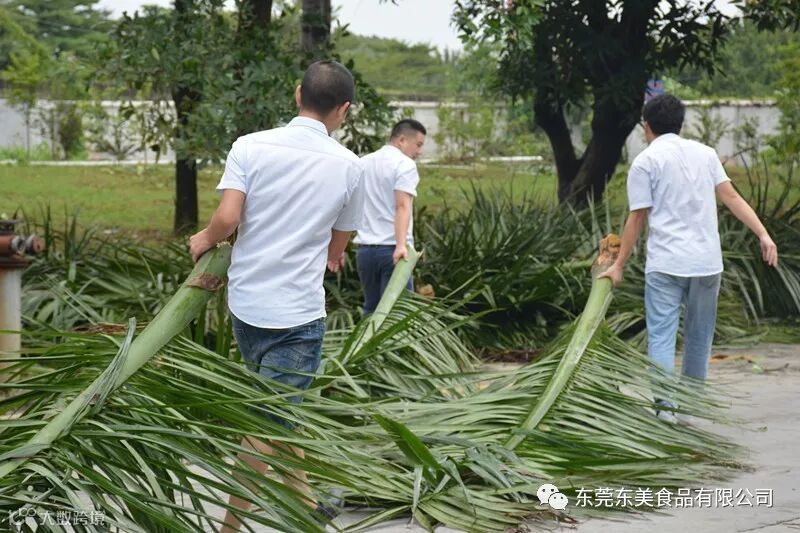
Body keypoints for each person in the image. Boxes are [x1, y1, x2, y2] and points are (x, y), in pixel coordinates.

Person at [188, 60, 364, 530]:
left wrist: (205, 238)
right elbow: (338, 247)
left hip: (247, 307)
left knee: (278, 409)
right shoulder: (350, 166)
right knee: (266, 424)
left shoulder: (249, 146)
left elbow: (228, 219)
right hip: (297, 317)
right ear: (344, 109)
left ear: (297, 94)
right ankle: (229, 526)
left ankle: (307, 503)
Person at [600, 94, 778, 422]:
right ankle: (691, 409)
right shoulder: (705, 154)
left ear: (646, 126)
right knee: (700, 336)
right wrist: (763, 234)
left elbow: (637, 218)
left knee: (661, 336)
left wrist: (618, 265)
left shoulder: (646, 161)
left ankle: (665, 411)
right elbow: (731, 197)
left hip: (666, 264)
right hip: (706, 263)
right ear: (680, 124)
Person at [354, 119, 426, 313]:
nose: (419, 151)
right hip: (393, 251)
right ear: (402, 140)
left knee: (371, 311)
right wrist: (401, 245)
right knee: (397, 315)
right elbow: (402, 206)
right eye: (418, 145)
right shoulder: (405, 165)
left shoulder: (363, 162)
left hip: (365, 252)